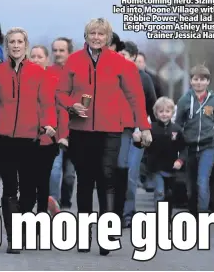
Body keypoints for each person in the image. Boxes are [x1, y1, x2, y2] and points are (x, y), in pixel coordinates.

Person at [56, 18, 151, 255]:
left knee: (107, 178)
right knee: (85, 181)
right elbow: (60, 92)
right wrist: (71, 105)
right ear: (86, 35)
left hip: (111, 131)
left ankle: (107, 235)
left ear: (108, 38)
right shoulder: (74, 60)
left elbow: (136, 97)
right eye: (92, 33)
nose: (96, 37)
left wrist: (143, 126)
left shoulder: (121, 64)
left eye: (101, 34)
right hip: (81, 130)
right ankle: (85, 234)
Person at [0, 27, 58, 254]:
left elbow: (46, 104)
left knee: (28, 192)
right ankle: (13, 237)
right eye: (12, 42)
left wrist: (49, 124)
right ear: (7, 46)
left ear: (25, 45)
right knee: (9, 189)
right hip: (3, 139)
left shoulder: (39, 73)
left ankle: (23, 228)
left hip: (30, 139)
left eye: (19, 42)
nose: (16, 46)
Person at [175, 64, 214, 216]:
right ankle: (193, 214)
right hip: (189, 149)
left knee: (202, 182)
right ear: (191, 81)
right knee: (191, 187)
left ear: (208, 82)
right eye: (195, 79)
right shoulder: (184, 101)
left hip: (207, 147)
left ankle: (203, 215)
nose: (199, 82)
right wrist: (174, 146)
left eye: (202, 79)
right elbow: (178, 125)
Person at [116, 39, 157, 227]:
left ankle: (128, 214)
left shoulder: (144, 79)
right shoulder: (111, 76)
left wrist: (147, 130)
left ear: (133, 57)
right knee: (117, 172)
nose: (119, 58)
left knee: (131, 172)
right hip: (116, 132)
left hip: (137, 133)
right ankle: (114, 211)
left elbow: (151, 107)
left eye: (123, 55)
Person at [30, 43, 65, 215]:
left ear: (47, 60)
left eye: (39, 56)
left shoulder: (54, 81)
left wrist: (59, 131)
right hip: (24, 138)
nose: (36, 60)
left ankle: (43, 212)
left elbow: (61, 109)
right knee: (27, 180)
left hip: (48, 139)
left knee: (45, 179)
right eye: (33, 56)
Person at [47, 37, 77, 209]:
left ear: (69, 53)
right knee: (54, 169)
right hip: (55, 129)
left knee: (70, 175)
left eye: (61, 50)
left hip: (74, 130)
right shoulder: (47, 73)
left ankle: (66, 202)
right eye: (55, 50)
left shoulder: (76, 73)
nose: (58, 54)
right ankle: (53, 202)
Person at [145, 97, 186, 217]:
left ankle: (167, 218)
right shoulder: (151, 128)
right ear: (156, 113)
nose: (164, 114)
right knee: (160, 192)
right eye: (161, 111)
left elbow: (184, 148)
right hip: (156, 168)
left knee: (169, 195)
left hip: (171, 168)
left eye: (167, 111)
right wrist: (139, 139)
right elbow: (144, 145)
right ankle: (159, 219)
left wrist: (180, 160)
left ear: (172, 113)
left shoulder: (176, 129)